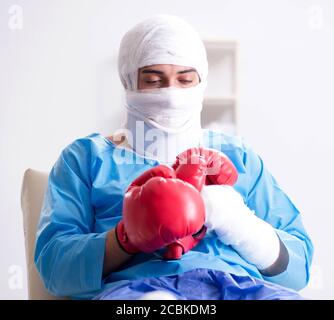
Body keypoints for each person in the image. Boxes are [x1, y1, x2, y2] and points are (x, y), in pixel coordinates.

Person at [34, 15, 313, 300]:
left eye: (185, 79)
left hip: (240, 289)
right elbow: (55, 269)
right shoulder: (85, 158)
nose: (171, 94)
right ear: (129, 82)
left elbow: (297, 270)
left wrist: (238, 222)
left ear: (201, 81)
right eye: (154, 80)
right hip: (134, 291)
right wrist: (125, 238)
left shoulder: (238, 156)